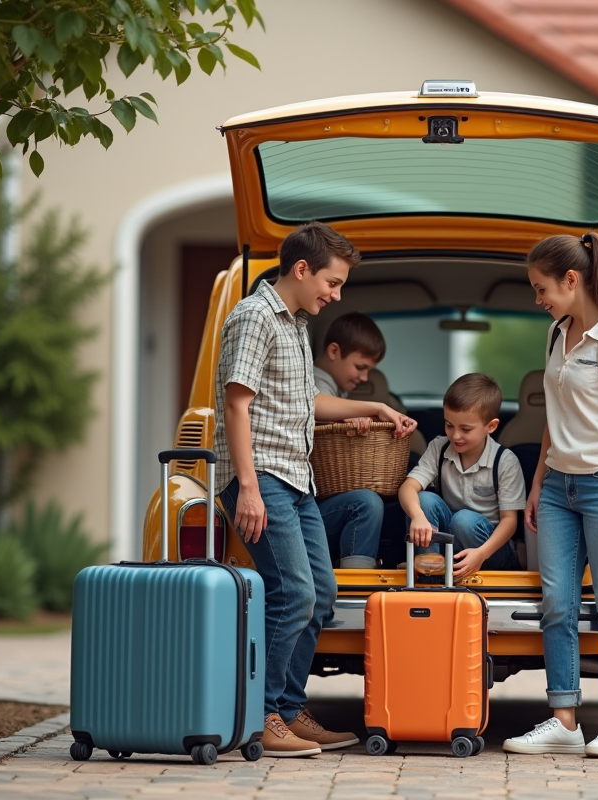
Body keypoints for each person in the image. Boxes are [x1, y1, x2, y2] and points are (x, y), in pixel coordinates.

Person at [213, 221, 417, 758]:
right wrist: (249, 489)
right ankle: (262, 717)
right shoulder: (255, 317)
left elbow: (309, 405)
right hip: (264, 479)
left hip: (296, 478)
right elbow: (237, 405)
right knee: (293, 594)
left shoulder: (296, 323)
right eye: (334, 281)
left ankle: (287, 707)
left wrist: (373, 406)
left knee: (321, 594)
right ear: (301, 270)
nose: (337, 293)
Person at [502, 232, 598, 759]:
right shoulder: (555, 334)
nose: (538, 298)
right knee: (557, 605)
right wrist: (540, 477)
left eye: (542, 288)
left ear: (572, 280)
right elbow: (554, 415)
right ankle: (564, 719)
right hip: (559, 488)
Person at [398, 373, 526, 577]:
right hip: (448, 542)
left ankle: (459, 564)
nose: (455, 435)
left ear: (491, 426)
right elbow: (408, 487)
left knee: (463, 521)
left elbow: (509, 522)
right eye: (449, 425)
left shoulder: (504, 461)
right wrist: (417, 516)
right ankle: (429, 569)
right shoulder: (439, 448)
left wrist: (482, 553)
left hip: (489, 550)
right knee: (423, 499)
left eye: (465, 429)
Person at [312, 312, 388, 569]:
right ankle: (358, 578)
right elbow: (316, 406)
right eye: (360, 367)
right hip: (313, 501)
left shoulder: (336, 388)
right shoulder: (315, 383)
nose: (365, 378)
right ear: (334, 351)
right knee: (367, 503)